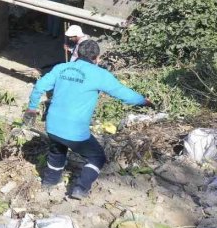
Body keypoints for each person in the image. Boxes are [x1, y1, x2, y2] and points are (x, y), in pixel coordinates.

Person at [24, 40, 150, 199]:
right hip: (75, 132)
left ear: (77, 53)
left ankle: (49, 183)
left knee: (57, 150)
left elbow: (39, 87)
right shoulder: (100, 75)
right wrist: (143, 101)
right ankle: (81, 188)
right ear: (97, 58)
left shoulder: (61, 68)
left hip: (53, 126)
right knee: (97, 157)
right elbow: (124, 94)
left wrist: (32, 109)